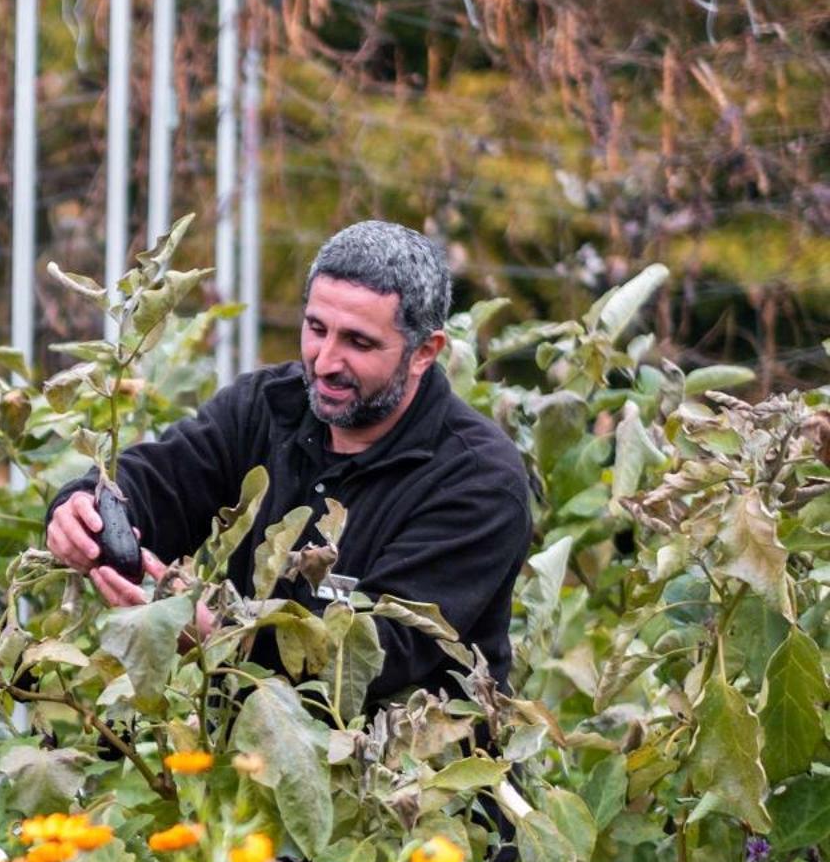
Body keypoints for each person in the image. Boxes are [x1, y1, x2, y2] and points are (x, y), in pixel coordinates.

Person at [45, 220, 535, 710]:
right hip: (248, 763)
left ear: (423, 352)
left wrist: (217, 635)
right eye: (317, 329)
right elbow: (158, 483)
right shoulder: (265, 406)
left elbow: (372, 660)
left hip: (408, 775)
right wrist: (83, 508)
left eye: (358, 343)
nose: (324, 362)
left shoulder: (479, 480)